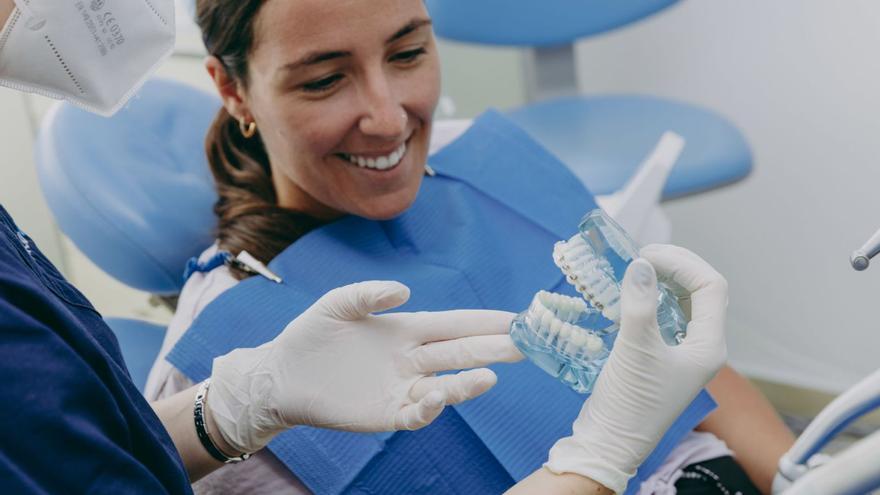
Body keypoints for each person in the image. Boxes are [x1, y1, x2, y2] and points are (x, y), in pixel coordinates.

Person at [145, 0, 791, 493]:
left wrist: (807, 475)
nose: (391, 117)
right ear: (233, 90)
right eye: (324, 81)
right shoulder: (227, 361)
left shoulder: (488, 168)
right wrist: (600, 456)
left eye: (407, 54)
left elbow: (699, 381)